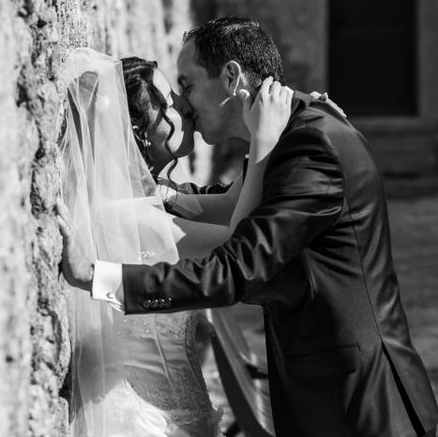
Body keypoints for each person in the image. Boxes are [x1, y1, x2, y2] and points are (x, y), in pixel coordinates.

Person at [58, 17, 438, 436]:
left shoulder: (312, 146)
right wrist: (168, 194)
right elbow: (229, 205)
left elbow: (238, 262)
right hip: (330, 398)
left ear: (231, 76)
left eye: (187, 85)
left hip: (360, 406)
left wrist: (93, 276)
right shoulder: (295, 135)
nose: (184, 105)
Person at [58, 47, 293, 436]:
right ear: (139, 133)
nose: (183, 106)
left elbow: (233, 202)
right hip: (150, 421)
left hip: (178, 413)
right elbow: (240, 241)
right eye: (169, 103)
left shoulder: (151, 201)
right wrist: (264, 138)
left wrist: (264, 126)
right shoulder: (127, 216)